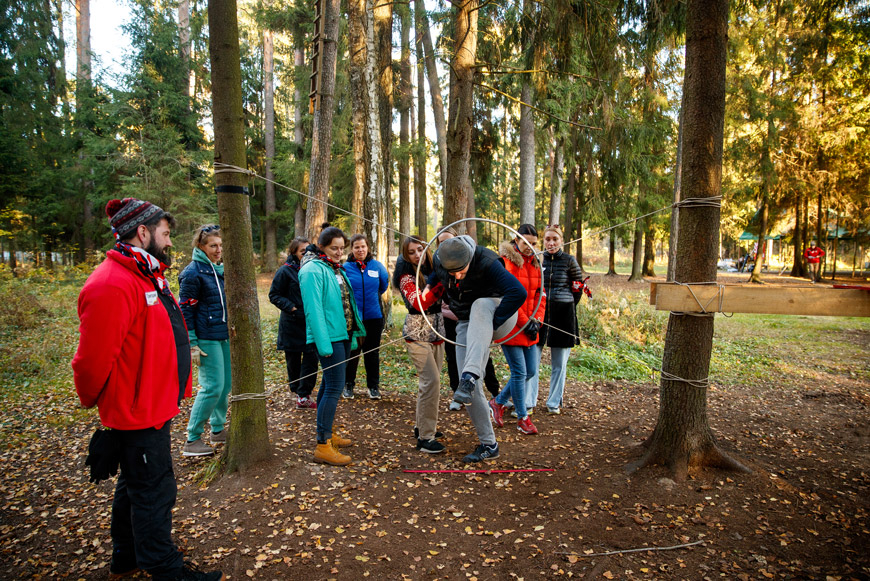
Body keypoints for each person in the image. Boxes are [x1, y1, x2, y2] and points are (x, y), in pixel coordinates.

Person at [72, 198, 223, 580]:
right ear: (143, 233)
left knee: (134, 484)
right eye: (165, 234)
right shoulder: (112, 282)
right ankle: (165, 567)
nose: (170, 242)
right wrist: (103, 401)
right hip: (136, 410)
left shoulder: (145, 274)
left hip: (152, 404)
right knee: (154, 490)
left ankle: (126, 556)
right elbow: (91, 361)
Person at [429, 235, 526, 463]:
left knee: (481, 303)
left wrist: (493, 323)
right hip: (466, 320)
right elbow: (433, 277)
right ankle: (489, 444)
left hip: (498, 312)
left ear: (470, 259)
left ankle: (470, 374)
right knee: (470, 390)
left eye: (462, 271)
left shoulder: (487, 261)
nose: (457, 276)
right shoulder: (439, 260)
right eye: (452, 273)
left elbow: (518, 293)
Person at [299, 226, 366, 466]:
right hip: (329, 337)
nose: (339, 252)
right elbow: (313, 310)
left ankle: (327, 432)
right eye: (333, 248)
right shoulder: (311, 270)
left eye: (341, 248)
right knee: (335, 387)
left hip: (343, 334)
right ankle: (322, 445)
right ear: (322, 247)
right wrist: (323, 343)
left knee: (330, 384)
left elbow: (347, 302)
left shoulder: (332, 267)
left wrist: (355, 332)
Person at [436, 227, 502, 411]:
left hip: (476, 317)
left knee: (481, 356)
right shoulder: (441, 265)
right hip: (453, 318)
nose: (446, 246)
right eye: (441, 243)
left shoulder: (474, 264)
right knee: (454, 358)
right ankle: (458, 392)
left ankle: (493, 392)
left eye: (449, 241)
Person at [178, 225, 230, 458]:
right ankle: (192, 438)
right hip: (206, 337)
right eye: (213, 246)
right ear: (201, 247)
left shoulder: (221, 270)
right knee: (212, 387)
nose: (219, 250)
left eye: (221, 245)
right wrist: (192, 343)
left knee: (225, 385)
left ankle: (217, 430)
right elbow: (185, 310)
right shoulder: (193, 273)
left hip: (224, 336)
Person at [488, 225, 546, 435]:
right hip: (512, 326)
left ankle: (498, 402)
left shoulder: (537, 264)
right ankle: (523, 417)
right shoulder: (505, 263)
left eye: (534, 243)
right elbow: (506, 297)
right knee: (519, 372)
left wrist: (537, 320)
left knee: (530, 371)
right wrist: (524, 322)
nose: (530, 247)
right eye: (525, 242)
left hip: (531, 326)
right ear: (516, 241)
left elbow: (541, 295)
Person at [526, 225, 587, 416]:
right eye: (547, 239)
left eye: (555, 239)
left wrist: (566, 304)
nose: (551, 243)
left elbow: (578, 288)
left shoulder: (569, 261)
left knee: (559, 364)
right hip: (540, 315)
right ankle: (529, 402)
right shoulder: (538, 259)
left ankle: (554, 402)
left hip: (563, 315)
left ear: (561, 241)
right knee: (532, 362)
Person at [394, 236, 447, 454]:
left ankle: (422, 426)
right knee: (431, 381)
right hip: (417, 333)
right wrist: (438, 280)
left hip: (437, 332)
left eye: (420, 249)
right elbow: (419, 302)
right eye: (412, 252)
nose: (417, 254)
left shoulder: (433, 270)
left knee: (431, 383)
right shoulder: (406, 276)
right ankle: (426, 438)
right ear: (406, 256)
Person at [269, 237, 319, 410]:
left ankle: (304, 393)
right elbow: (274, 295)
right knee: (294, 361)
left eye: (308, 251)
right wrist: (291, 308)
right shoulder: (285, 271)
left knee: (312, 357)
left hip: (310, 323)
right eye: (302, 252)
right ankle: (299, 392)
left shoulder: (314, 269)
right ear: (294, 253)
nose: (306, 255)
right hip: (291, 323)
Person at [342, 234, 390, 400]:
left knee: (372, 352)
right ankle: (348, 385)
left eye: (363, 246)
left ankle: (373, 386)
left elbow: (383, 286)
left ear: (367, 247)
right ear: (352, 249)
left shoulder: (377, 267)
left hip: (374, 317)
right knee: (352, 352)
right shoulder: (345, 268)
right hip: (353, 318)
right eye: (357, 247)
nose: (360, 250)